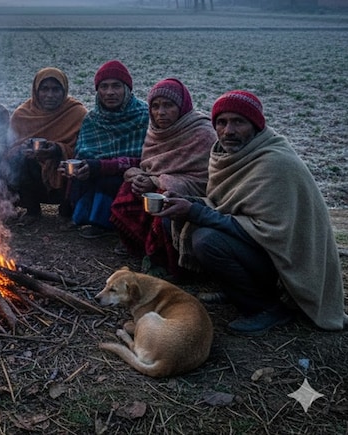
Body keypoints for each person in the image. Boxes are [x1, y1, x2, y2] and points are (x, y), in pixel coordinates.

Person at [156, 90, 346, 335]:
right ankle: (235, 287)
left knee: (207, 241)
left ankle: (267, 308)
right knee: (176, 218)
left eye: (238, 122)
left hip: (285, 263)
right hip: (257, 247)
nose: (228, 131)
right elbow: (224, 205)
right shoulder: (228, 155)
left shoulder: (275, 163)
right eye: (222, 123)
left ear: (255, 125)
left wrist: (194, 210)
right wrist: (187, 203)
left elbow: (262, 232)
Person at [110, 78, 216, 278]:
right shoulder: (156, 131)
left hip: (193, 198)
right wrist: (141, 178)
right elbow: (150, 165)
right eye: (156, 106)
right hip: (158, 183)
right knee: (128, 189)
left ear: (182, 107)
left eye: (168, 105)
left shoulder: (202, 133)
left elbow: (205, 181)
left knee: (166, 198)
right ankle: (140, 245)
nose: (161, 112)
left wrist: (157, 181)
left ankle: (165, 261)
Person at [60, 60, 149, 239]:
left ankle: (104, 223)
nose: (110, 92)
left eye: (116, 86)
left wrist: (104, 166)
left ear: (127, 89)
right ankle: (79, 215)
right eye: (104, 87)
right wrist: (80, 169)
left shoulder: (144, 116)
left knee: (111, 181)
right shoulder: (92, 119)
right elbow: (83, 153)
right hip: (95, 174)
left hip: (127, 176)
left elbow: (145, 159)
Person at [5, 67, 88, 224]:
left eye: (56, 89)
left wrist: (58, 150)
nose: (50, 95)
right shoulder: (22, 115)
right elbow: (9, 150)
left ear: (64, 90)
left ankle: (66, 210)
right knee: (19, 160)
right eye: (45, 89)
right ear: (36, 90)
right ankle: (32, 209)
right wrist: (22, 150)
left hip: (63, 175)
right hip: (32, 176)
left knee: (74, 164)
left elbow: (85, 149)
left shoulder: (77, 113)